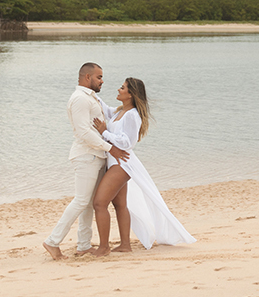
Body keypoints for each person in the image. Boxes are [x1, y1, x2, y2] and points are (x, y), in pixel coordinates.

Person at [88, 77, 196, 255]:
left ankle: (103, 247)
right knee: (120, 204)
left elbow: (127, 142)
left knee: (99, 203)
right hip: (116, 161)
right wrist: (90, 93)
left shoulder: (132, 115)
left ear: (130, 94)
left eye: (122, 88)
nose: (119, 89)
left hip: (122, 163)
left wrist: (104, 132)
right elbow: (105, 110)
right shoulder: (120, 112)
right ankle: (125, 245)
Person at [42, 63, 130, 260]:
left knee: (89, 203)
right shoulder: (80, 99)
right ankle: (52, 241)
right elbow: (83, 132)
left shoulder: (91, 98)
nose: (102, 81)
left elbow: (109, 117)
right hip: (86, 155)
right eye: (99, 77)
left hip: (96, 156)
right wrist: (111, 148)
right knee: (81, 201)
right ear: (87, 77)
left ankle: (83, 245)